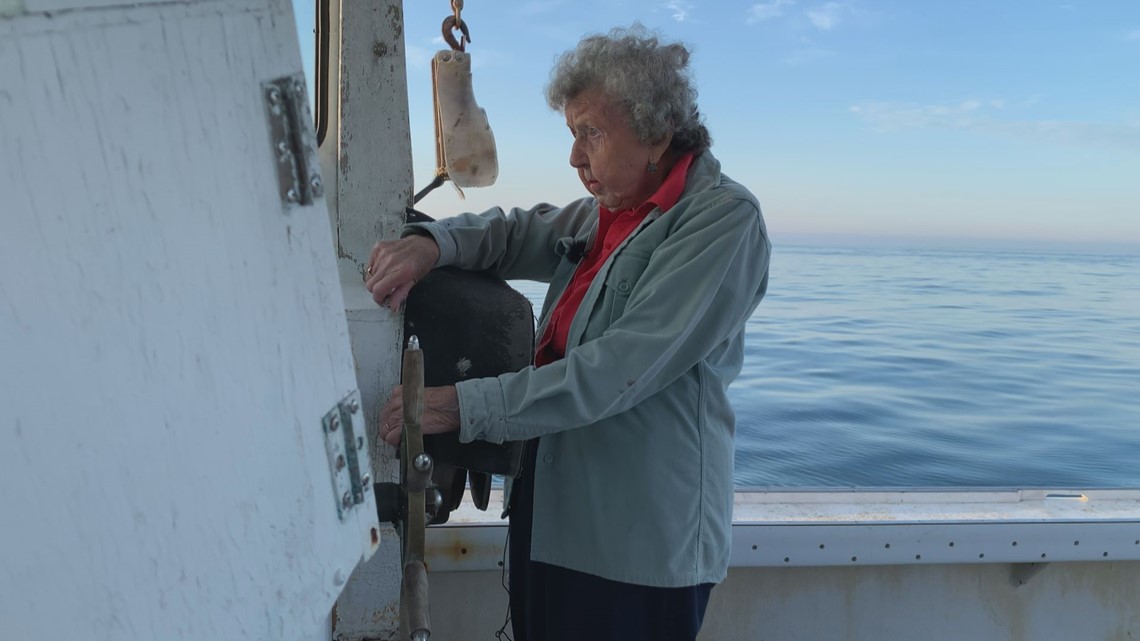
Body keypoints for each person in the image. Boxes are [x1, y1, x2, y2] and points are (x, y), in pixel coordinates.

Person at [366, 25, 770, 641]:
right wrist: (430, 244)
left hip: (636, 549)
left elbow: (614, 371)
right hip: (551, 522)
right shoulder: (607, 212)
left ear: (657, 132)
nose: (575, 157)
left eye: (592, 133)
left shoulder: (720, 223)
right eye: (572, 134)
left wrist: (460, 407)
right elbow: (513, 232)